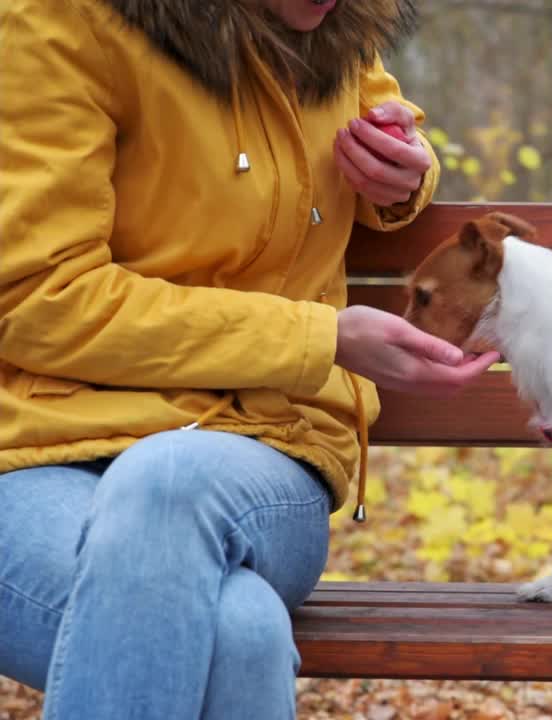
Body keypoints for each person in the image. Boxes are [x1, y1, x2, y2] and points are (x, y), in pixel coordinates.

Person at [0, 0, 499, 716]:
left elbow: (386, 119)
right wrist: (316, 338)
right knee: (241, 634)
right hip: (45, 451)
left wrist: (404, 175)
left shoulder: (337, 28)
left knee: (168, 478)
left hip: (262, 449)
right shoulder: (63, 20)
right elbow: (38, 300)